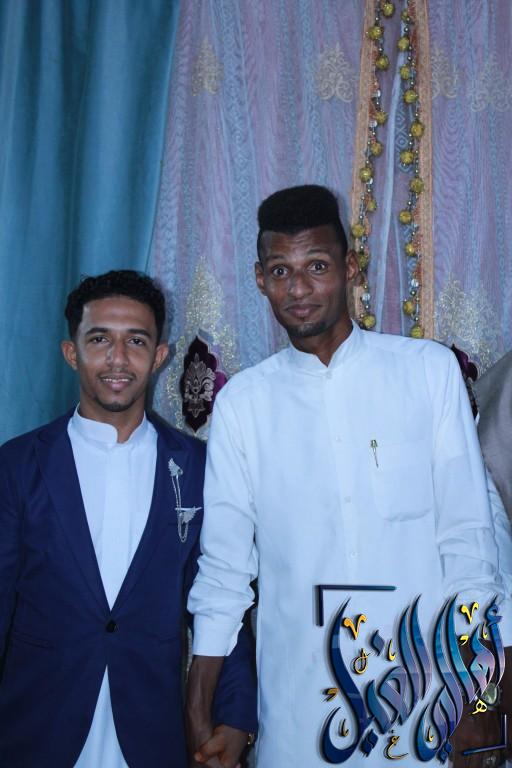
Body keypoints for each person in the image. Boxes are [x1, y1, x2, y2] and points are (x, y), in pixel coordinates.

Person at [187, 186, 512, 767]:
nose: (299, 289)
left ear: (350, 267)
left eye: (316, 266)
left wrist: (481, 703)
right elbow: (224, 574)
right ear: (260, 280)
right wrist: (197, 707)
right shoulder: (243, 406)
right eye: (281, 271)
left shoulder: (427, 373)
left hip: (425, 709)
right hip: (299, 717)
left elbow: (471, 549)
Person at [0, 270, 256, 768]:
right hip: (35, 730)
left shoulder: (197, 467)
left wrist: (234, 716)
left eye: (135, 341)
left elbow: (221, 594)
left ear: (159, 356)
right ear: (71, 352)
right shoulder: (18, 465)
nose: (118, 359)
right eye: (99, 340)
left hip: (152, 732)